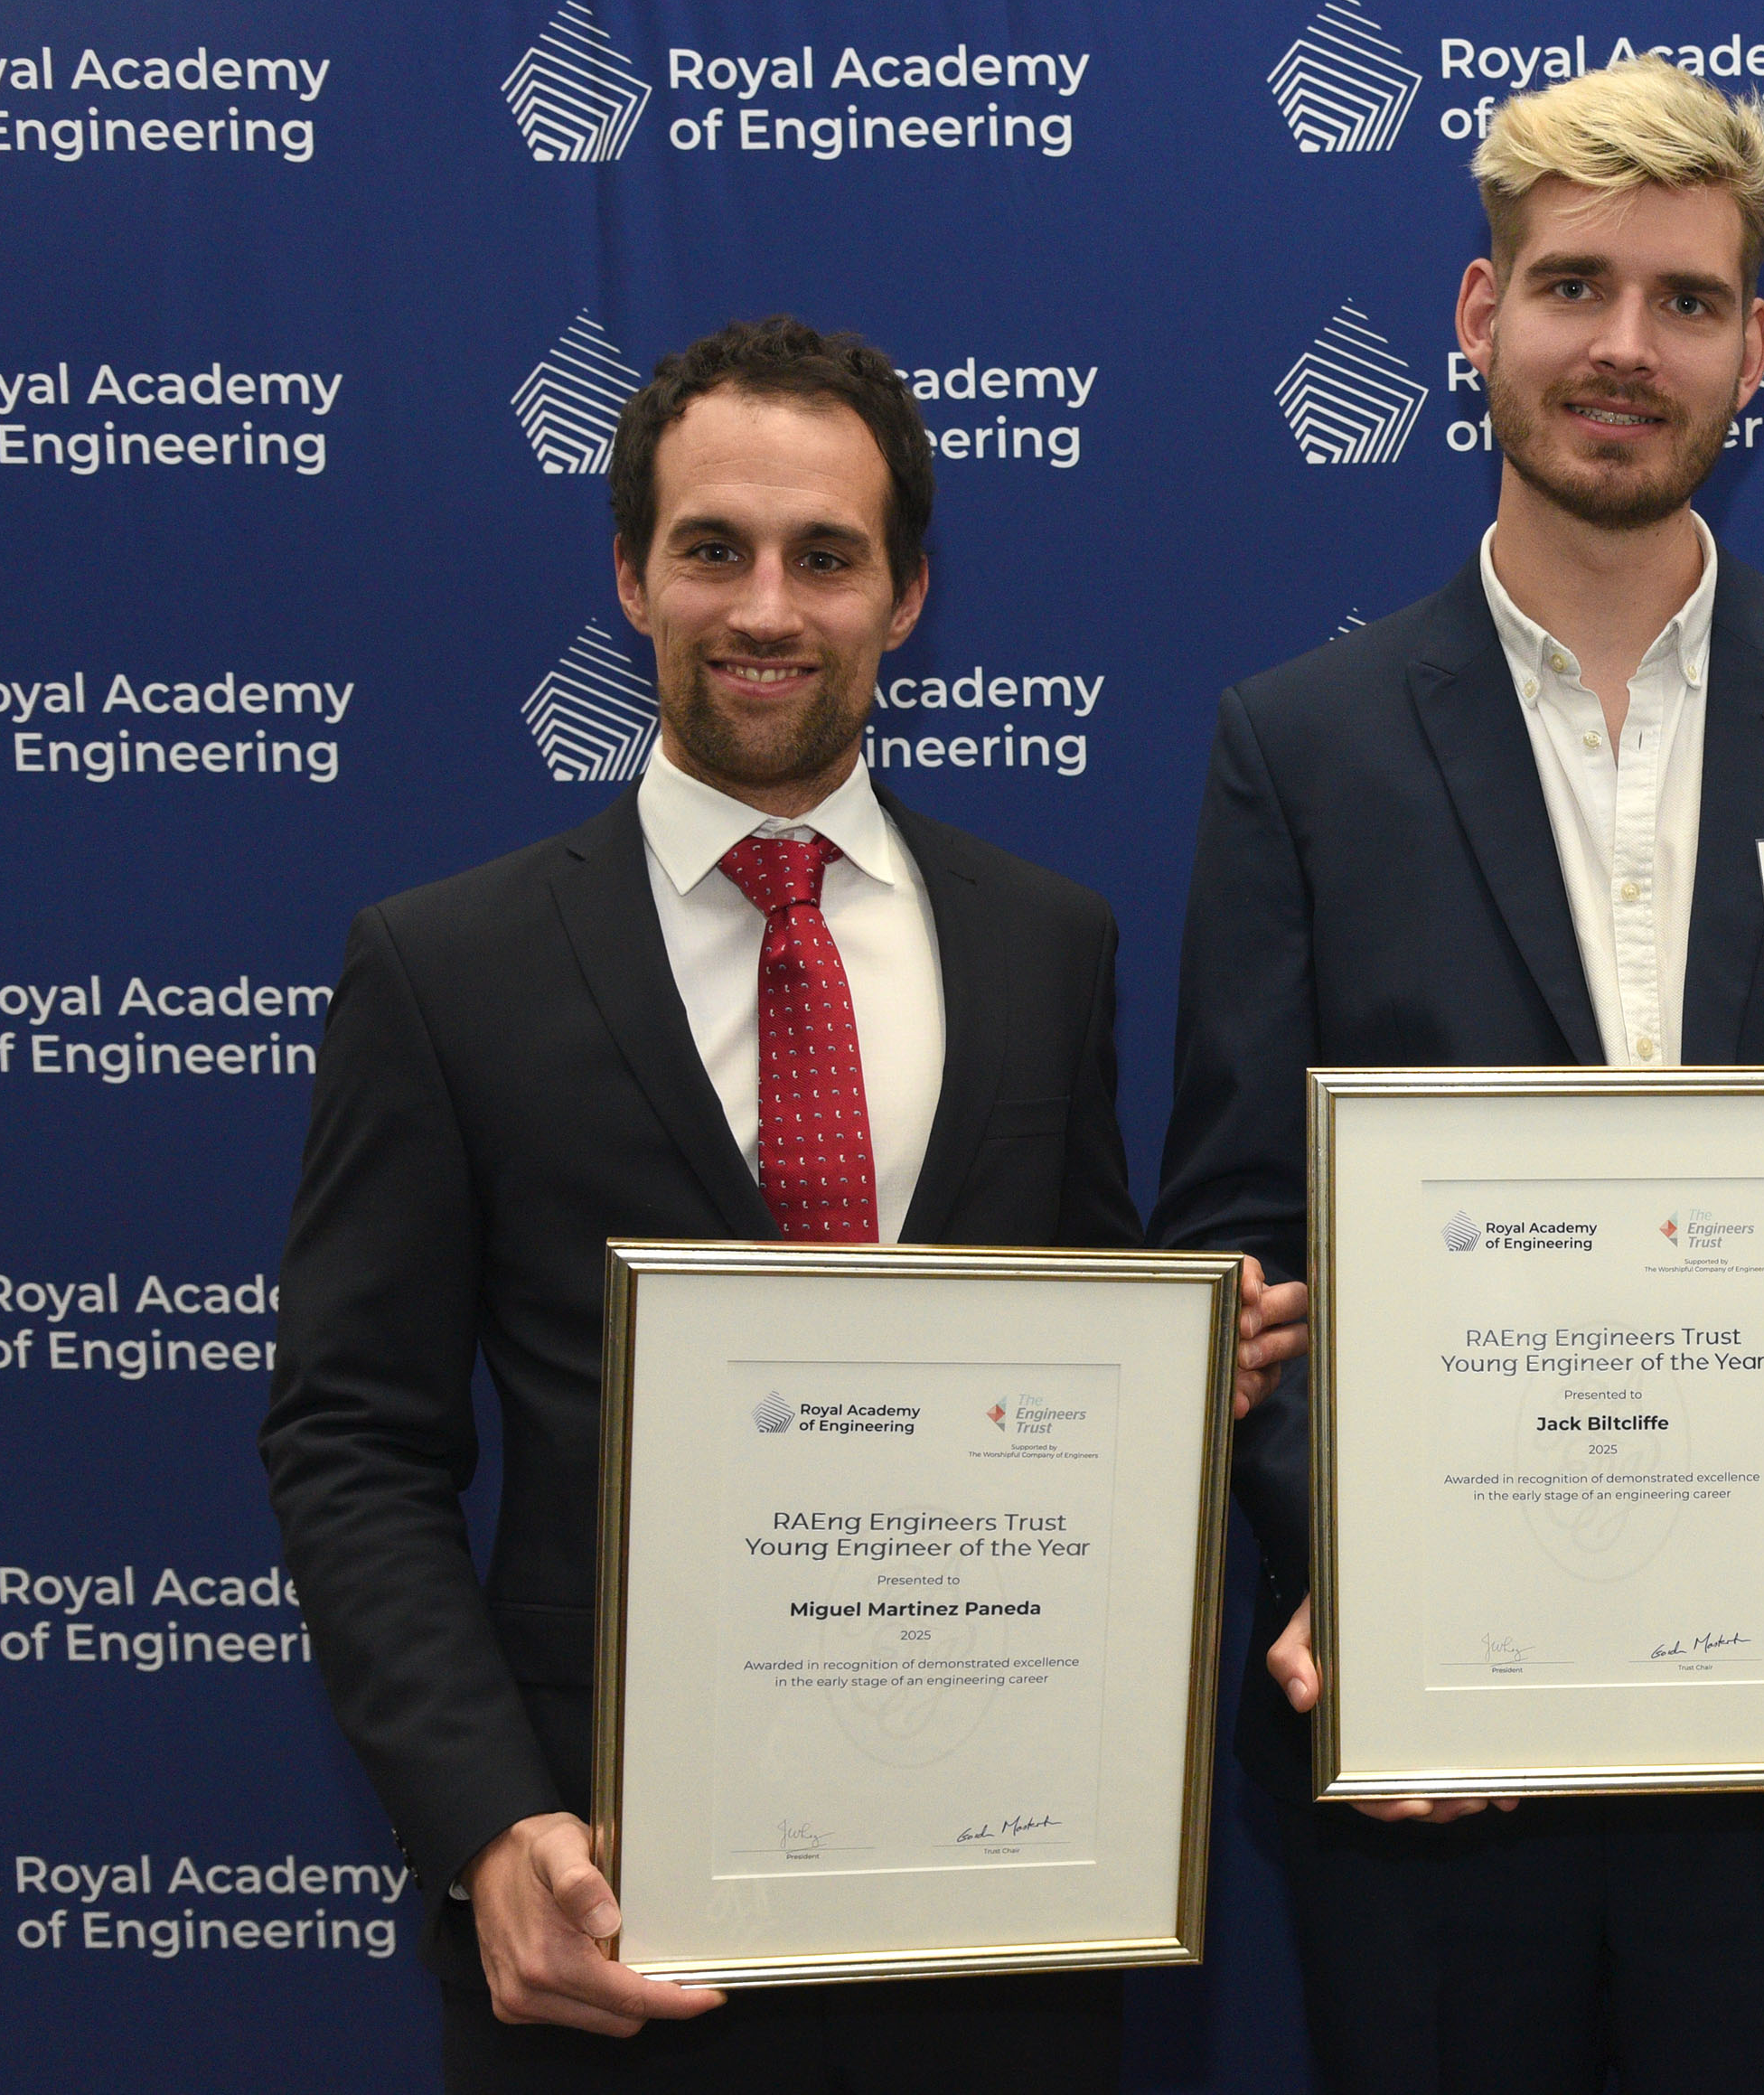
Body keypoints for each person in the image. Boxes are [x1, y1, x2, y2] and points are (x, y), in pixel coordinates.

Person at [258, 316, 1298, 2091]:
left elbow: (1054, 1359)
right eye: (712, 550)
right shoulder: (446, 970)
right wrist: (491, 1825)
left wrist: (1182, 1381)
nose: (766, 608)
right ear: (629, 576)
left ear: (904, 596)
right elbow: (355, 1437)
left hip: (1005, 1893)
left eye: (827, 558)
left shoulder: (1047, 946)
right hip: (615, 1902)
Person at [1149, 60, 1764, 2092]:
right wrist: (1362, 1572)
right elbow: (1234, 1241)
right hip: (1427, 1729)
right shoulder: (1299, 746)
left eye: (1685, 300)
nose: (1623, 349)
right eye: (1572, 287)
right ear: (1479, 321)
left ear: (1757, 348)